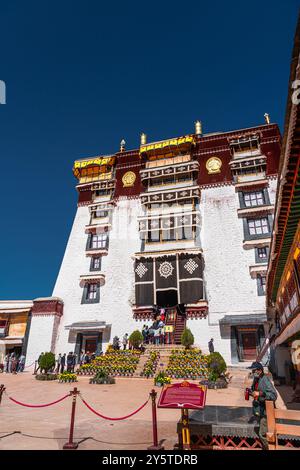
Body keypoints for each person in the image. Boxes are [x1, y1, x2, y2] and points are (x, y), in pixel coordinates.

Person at [247, 361, 277, 450]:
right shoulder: (256, 379)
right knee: (262, 431)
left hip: (266, 412)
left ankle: (270, 448)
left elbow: (274, 395)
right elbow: (255, 392)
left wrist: (261, 393)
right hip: (259, 410)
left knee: (262, 434)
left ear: (259, 371)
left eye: (254, 371)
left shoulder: (265, 380)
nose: (252, 373)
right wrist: (251, 392)